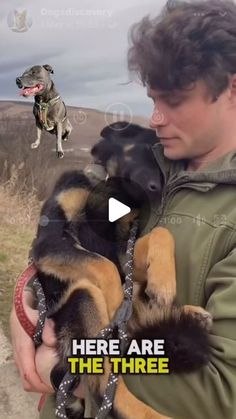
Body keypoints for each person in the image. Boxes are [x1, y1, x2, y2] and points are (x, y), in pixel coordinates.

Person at [10, 0, 236, 417]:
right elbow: (69, 232)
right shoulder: (138, 162)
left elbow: (222, 389)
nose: (155, 117)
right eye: (153, 98)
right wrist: (31, 298)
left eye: (175, 100)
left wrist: (75, 364)